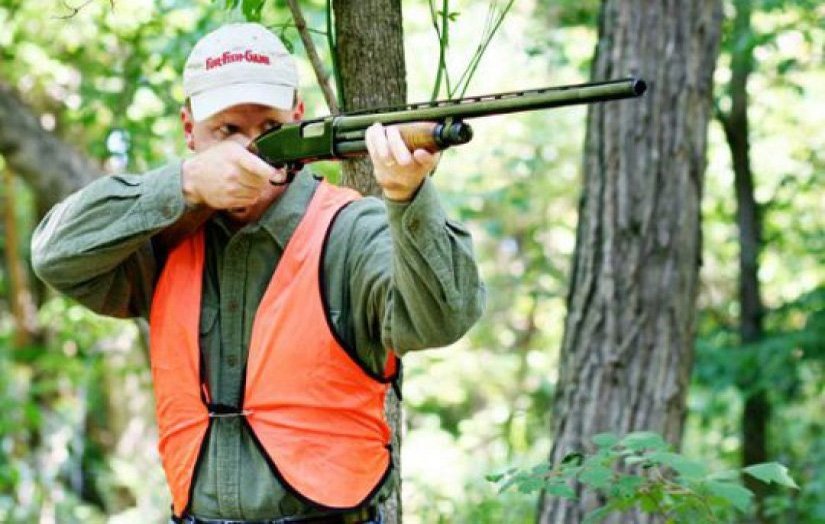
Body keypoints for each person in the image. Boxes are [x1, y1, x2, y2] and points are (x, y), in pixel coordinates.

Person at [31, 22, 484, 524]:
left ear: (297, 117)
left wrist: (407, 196)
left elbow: (444, 319)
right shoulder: (164, 237)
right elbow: (55, 254)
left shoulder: (352, 230)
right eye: (228, 131)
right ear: (189, 130)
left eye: (269, 130)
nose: (250, 150)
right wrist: (182, 184)